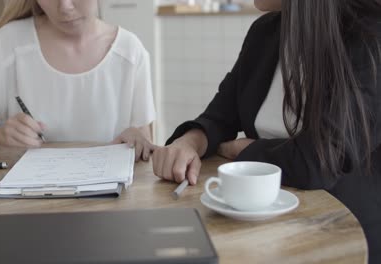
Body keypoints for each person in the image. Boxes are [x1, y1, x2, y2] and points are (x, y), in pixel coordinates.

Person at [152, 0, 381, 262]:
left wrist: (243, 150)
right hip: (261, 224)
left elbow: (320, 160)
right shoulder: (265, 31)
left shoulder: (369, 35)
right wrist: (189, 142)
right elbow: (220, 116)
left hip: (343, 233)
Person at [0, 0, 156, 162]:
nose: (65, 6)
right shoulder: (8, 44)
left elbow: (145, 139)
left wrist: (137, 137)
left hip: (109, 199)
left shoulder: (130, 52)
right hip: (26, 199)